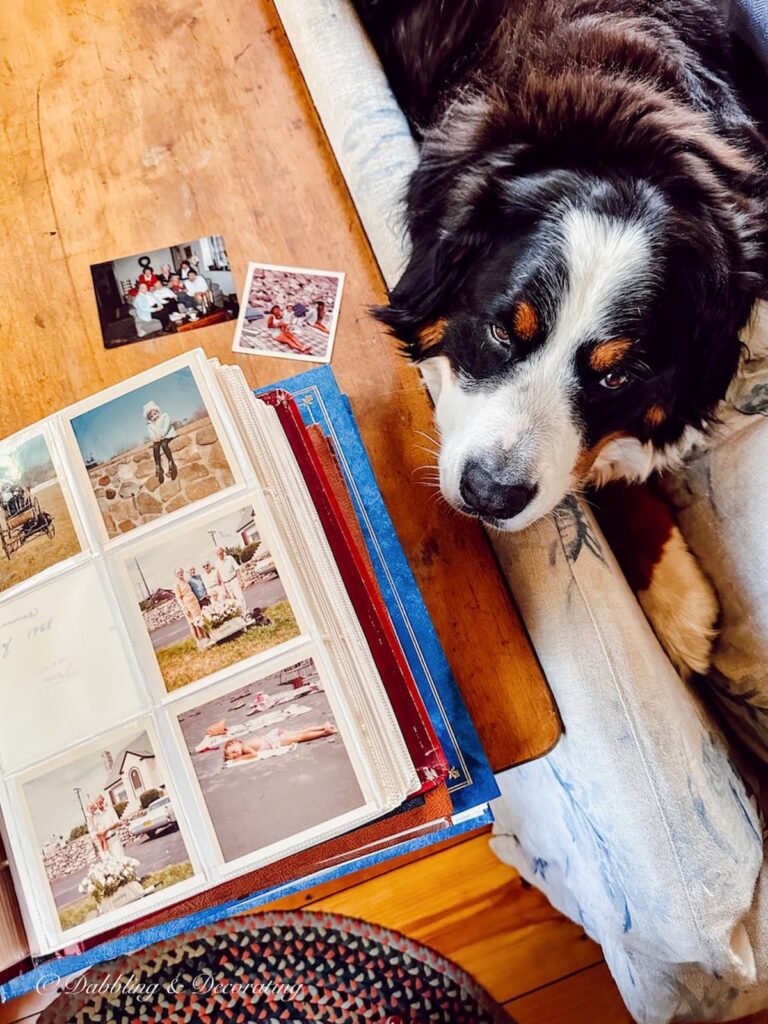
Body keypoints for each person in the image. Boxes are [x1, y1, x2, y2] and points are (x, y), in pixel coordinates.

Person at [222, 723, 338, 762]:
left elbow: (254, 754)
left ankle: (325, 732)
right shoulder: (243, 745)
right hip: (274, 735)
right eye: (233, 756)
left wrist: (240, 758)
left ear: (236, 742)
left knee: (301, 737)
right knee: (300, 732)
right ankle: (324, 726)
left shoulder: (244, 746)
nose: (235, 754)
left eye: (233, 751)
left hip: (275, 740)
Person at [143, 400, 178, 484]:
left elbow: (167, 425)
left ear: (158, 412)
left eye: (155, 414)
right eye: (151, 416)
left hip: (167, 435)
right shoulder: (150, 425)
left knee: (164, 445)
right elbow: (150, 434)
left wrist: (161, 434)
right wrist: (154, 438)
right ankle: (158, 467)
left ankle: (171, 463)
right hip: (159, 439)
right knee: (155, 447)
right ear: (149, 418)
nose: (154, 417)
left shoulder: (164, 416)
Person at [173, 567, 207, 643]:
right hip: (187, 605)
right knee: (192, 623)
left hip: (194, 602)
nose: (180, 574)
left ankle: (204, 637)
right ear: (176, 575)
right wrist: (184, 608)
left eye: (181, 572)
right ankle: (198, 641)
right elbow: (178, 598)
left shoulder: (185, 581)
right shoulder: (177, 584)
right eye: (178, 573)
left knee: (199, 620)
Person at [216, 547, 249, 618]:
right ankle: (240, 616)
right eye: (218, 554)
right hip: (226, 583)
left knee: (240, 597)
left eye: (221, 553)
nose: (220, 555)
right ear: (216, 555)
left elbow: (237, 569)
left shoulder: (230, 558)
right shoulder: (217, 564)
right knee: (233, 601)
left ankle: (246, 613)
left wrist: (241, 580)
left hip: (233, 580)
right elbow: (220, 577)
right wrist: (223, 588)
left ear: (223, 552)